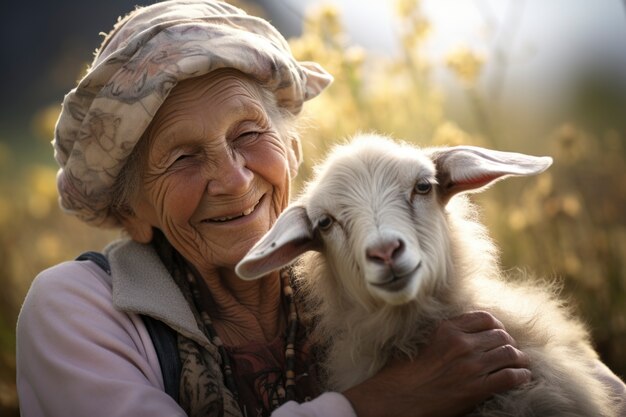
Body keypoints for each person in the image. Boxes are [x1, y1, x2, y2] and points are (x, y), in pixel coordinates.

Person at [15, 1, 624, 417]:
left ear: (294, 150)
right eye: (181, 158)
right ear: (133, 213)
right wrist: (386, 401)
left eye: (249, 133)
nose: (232, 178)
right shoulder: (80, 310)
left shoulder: (367, 287)